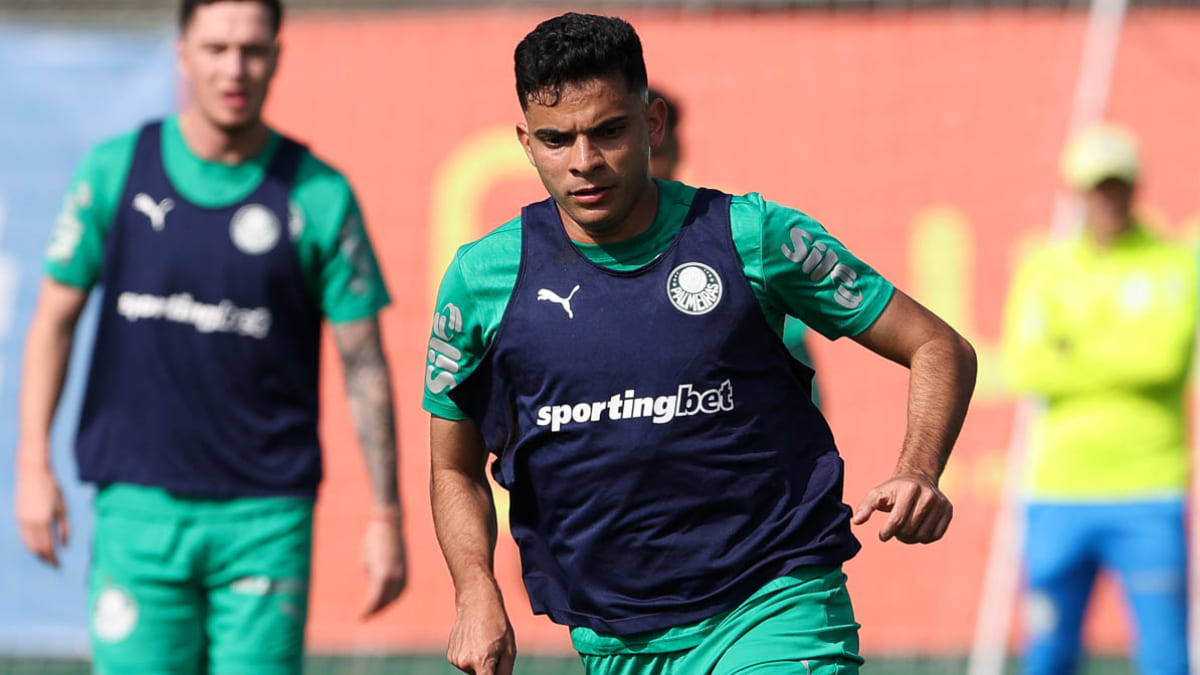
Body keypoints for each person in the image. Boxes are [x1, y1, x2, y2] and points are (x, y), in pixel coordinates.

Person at [426, 12, 976, 675]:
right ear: (525, 141)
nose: (584, 162)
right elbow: (454, 466)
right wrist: (474, 586)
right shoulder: (482, 278)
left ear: (653, 123)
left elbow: (937, 345)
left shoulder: (751, 236)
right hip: (614, 639)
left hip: (774, 603)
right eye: (556, 139)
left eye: (609, 131)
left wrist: (919, 467)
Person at [13, 1, 407, 672]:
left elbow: (364, 361)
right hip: (137, 508)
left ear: (278, 57)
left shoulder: (318, 194)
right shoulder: (114, 171)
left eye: (252, 50)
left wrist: (385, 513)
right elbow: (52, 321)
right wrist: (31, 465)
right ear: (182, 53)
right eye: (216, 47)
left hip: (266, 518)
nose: (235, 68)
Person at [1004, 123, 1195, 675]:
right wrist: (1121, 350)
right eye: (1096, 187)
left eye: (1118, 186)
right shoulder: (1044, 266)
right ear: (1076, 191)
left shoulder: (1173, 261)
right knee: (1048, 654)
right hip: (1058, 493)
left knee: (1164, 657)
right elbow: (1028, 365)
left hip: (1149, 490)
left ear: (1136, 188)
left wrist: (1077, 349)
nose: (1108, 200)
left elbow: (1165, 358)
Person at [647, 85, 824, 408]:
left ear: (675, 148)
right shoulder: (550, 250)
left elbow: (802, 385)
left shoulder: (740, 235)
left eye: (654, 152)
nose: (645, 169)